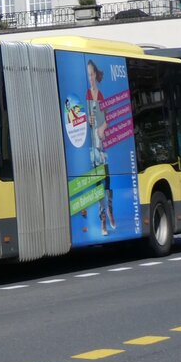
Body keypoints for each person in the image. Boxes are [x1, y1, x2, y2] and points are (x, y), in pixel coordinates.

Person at [86, 59, 115, 236]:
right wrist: (89, 122)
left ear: (96, 74)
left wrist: (102, 127)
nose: (90, 77)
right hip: (93, 147)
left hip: (102, 145)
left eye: (91, 74)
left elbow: (106, 119)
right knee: (97, 185)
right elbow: (85, 120)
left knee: (108, 180)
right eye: (88, 75)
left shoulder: (101, 95)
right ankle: (103, 220)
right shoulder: (87, 95)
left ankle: (110, 210)